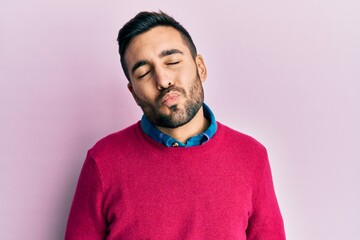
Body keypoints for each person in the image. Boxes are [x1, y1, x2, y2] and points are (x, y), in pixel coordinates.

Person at [65, 11, 286, 240]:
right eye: (143, 73)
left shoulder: (251, 156)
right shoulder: (102, 161)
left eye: (172, 61)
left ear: (200, 67)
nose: (163, 80)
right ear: (133, 92)